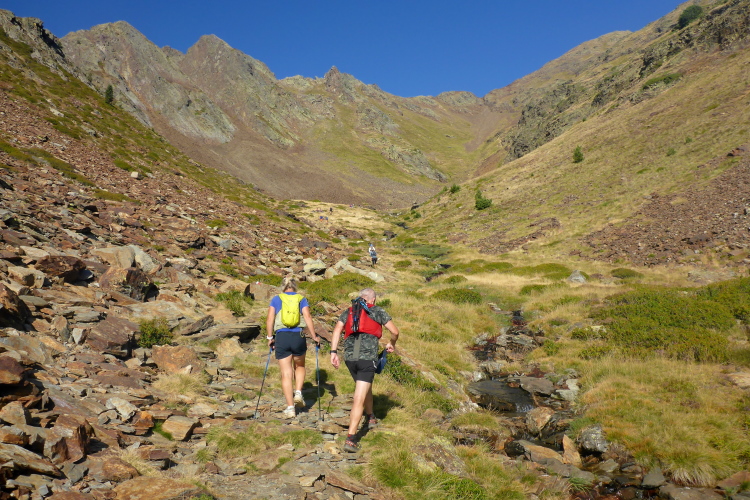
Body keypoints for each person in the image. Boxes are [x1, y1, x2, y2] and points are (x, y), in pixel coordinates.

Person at [330, 288, 399, 452]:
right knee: (358, 397)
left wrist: (333, 352)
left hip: (350, 358)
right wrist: (392, 343)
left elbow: (337, 329)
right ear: (373, 300)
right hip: (367, 358)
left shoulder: (348, 311)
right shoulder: (377, 310)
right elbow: (395, 331)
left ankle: (370, 417)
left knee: (365, 385)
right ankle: (351, 438)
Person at [266, 277, 320, 419]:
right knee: (300, 365)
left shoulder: (276, 299)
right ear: (295, 286)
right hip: (298, 336)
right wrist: (314, 336)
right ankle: (298, 392)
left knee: (286, 373)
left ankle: (290, 408)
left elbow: (270, 319)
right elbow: (307, 317)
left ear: (282, 287)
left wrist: (270, 337)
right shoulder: (301, 299)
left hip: (282, 336)